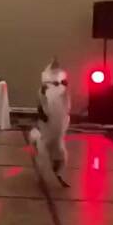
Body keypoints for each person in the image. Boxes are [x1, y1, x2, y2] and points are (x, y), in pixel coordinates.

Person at [30, 57, 71, 187]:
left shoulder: (64, 92)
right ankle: (41, 173)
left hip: (57, 128)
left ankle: (58, 172)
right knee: (43, 150)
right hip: (48, 128)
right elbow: (41, 109)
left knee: (59, 151)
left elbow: (67, 108)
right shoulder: (43, 92)